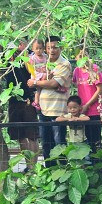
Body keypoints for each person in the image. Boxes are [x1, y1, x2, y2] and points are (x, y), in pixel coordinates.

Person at [27, 35, 72, 164]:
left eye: (55, 47)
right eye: (49, 47)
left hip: (58, 111)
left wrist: (35, 82)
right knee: (46, 144)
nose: (52, 50)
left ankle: (63, 171)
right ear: (45, 49)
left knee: (59, 144)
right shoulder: (44, 63)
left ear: (60, 48)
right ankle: (49, 172)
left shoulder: (64, 64)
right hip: (43, 110)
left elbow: (54, 84)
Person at [72, 46, 102, 151]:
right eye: (79, 56)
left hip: (94, 109)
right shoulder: (76, 71)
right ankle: (90, 164)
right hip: (82, 110)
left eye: (84, 56)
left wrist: (87, 105)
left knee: (96, 139)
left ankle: (98, 165)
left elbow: (99, 90)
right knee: (86, 139)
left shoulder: (94, 69)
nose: (82, 59)